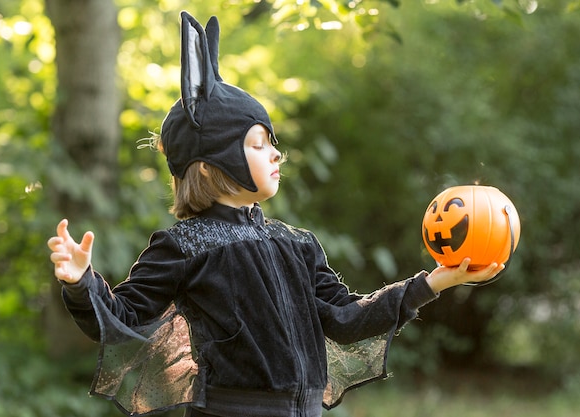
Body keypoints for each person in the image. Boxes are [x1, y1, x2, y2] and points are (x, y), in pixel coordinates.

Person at [47, 11, 504, 417]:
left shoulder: (297, 244)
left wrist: (433, 282)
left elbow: (346, 320)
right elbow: (122, 318)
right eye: (257, 143)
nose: (274, 155)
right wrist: (82, 281)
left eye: (273, 143)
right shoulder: (183, 246)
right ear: (211, 164)